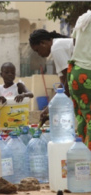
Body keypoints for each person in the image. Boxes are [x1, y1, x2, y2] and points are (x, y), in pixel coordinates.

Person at [29, 29, 74, 126]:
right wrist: (49, 108)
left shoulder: (56, 48)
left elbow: (68, 84)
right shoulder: (57, 47)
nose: (39, 54)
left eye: (37, 50)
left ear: (43, 43)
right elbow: (63, 86)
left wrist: (51, 108)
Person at [67, 10, 91, 150]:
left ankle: (81, 156)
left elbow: (75, 44)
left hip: (76, 72)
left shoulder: (83, 17)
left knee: (83, 116)